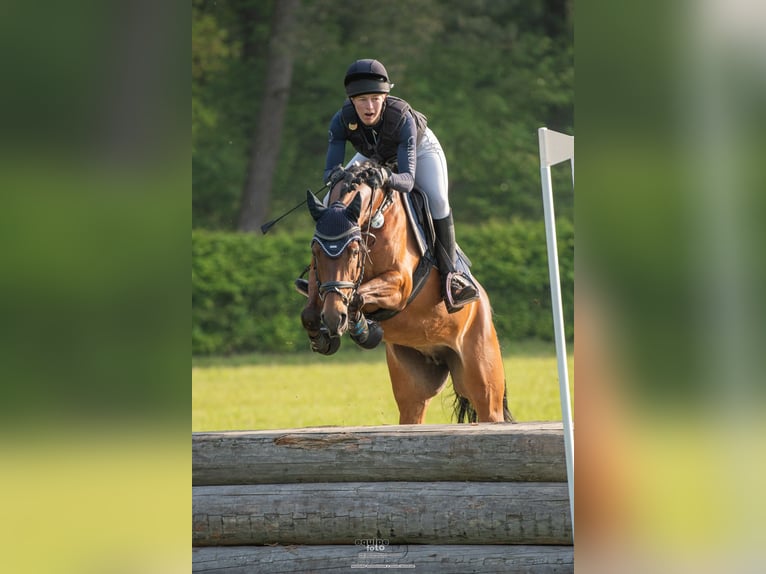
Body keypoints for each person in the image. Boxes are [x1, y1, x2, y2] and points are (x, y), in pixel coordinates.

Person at [298, 58, 478, 313]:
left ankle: (452, 276)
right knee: (330, 201)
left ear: (385, 96)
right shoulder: (341, 120)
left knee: (437, 200)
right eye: (361, 100)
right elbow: (329, 172)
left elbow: (406, 180)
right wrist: (339, 175)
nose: (369, 107)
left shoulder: (401, 118)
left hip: (419, 150)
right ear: (351, 101)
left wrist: (384, 177)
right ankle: (320, 280)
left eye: (375, 98)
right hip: (375, 155)